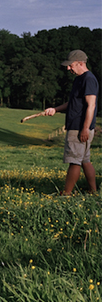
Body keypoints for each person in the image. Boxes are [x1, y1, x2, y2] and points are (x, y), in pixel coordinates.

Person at [44, 49, 98, 195]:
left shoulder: (89, 79)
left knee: (74, 161)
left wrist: (85, 128)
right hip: (78, 127)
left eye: (71, 65)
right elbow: (73, 103)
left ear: (80, 63)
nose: (68, 68)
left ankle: (66, 194)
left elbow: (91, 105)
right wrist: (55, 109)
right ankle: (93, 191)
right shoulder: (79, 79)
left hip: (79, 128)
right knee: (85, 160)